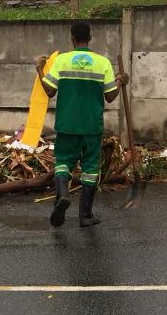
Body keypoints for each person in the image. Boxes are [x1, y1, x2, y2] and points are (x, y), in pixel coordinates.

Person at [35, 23, 129, 229]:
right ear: (90, 37)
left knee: (62, 163)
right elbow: (111, 96)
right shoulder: (102, 62)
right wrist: (121, 80)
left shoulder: (62, 60)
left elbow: (50, 92)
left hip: (67, 124)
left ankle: (63, 195)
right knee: (89, 169)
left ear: (72, 37)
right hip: (91, 126)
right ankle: (85, 215)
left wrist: (40, 70)